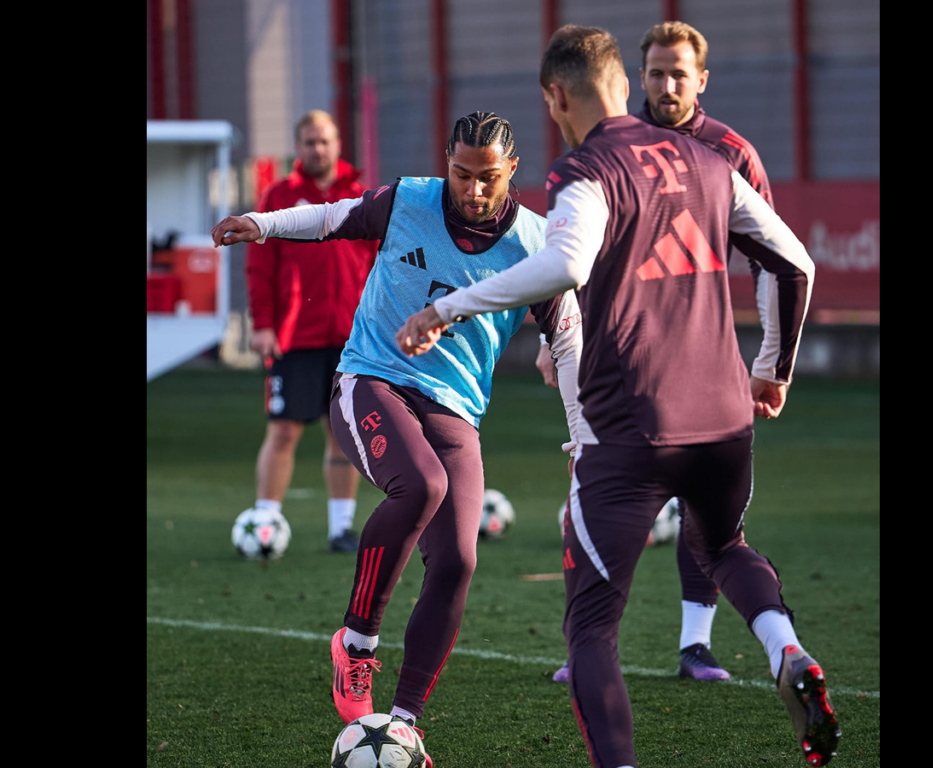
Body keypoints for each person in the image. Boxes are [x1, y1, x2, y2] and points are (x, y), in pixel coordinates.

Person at [396, 26, 839, 768]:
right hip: (726, 415)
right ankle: (785, 648)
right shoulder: (707, 154)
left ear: (554, 96)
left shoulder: (587, 165)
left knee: (593, 629)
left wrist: (446, 308)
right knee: (724, 545)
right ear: (626, 84)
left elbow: (564, 264)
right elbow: (795, 262)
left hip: (631, 424)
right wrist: (773, 368)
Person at [213, 111, 583, 764]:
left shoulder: (533, 242)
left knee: (460, 561)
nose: (471, 189)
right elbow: (331, 218)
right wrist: (263, 226)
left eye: (487, 178)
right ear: (446, 161)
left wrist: (579, 420)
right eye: (461, 173)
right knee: (423, 487)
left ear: (512, 172)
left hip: (455, 414)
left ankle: (405, 723)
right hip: (370, 382)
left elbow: (567, 328)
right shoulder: (409, 200)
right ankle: (356, 644)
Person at [542, 19, 776, 685]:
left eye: (679, 73)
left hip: (700, 359)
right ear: (633, 78)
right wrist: (556, 337)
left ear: (702, 80)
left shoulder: (730, 153)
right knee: (590, 498)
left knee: (706, 517)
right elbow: (575, 258)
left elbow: (773, 260)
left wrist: (765, 360)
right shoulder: (608, 144)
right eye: (655, 72)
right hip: (612, 361)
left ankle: (695, 646)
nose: (666, 84)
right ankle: (584, 644)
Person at [245, 110, 377, 553]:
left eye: (324, 141)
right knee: (283, 430)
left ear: (338, 144)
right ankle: (265, 521)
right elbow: (260, 266)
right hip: (294, 337)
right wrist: (263, 324)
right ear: (298, 148)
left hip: (352, 339)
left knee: (342, 432)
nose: (317, 149)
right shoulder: (279, 195)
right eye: (308, 142)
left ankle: (341, 528)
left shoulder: (362, 196)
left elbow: (379, 263)